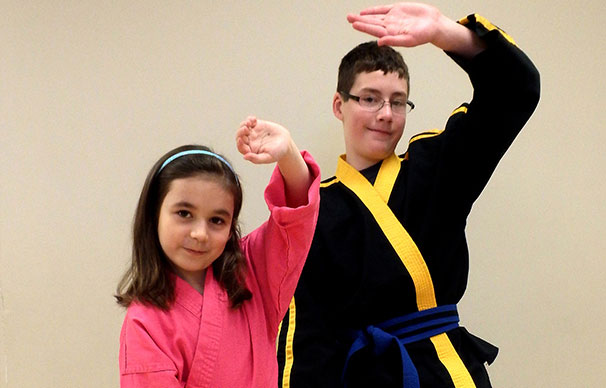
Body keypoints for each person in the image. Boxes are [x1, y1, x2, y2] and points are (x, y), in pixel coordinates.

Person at [276, 3, 540, 388]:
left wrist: (443, 31)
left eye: (398, 101)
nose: (386, 113)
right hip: (372, 376)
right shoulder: (317, 211)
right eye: (369, 98)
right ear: (340, 105)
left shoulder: (435, 167)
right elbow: (307, 346)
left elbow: (516, 91)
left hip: (453, 370)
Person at [115, 116, 321, 387]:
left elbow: (295, 216)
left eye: (217, 221)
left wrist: (288, 153)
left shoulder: (253, 273)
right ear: (154, 214)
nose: (200, 233)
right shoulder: (144, 322)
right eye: (184, 213)